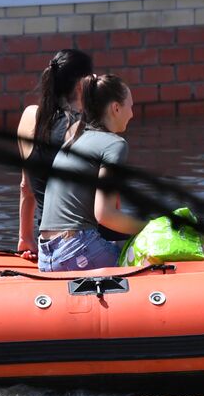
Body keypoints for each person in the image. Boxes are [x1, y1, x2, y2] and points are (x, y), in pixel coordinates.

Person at [36, 73, 146, 272]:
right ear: (116, 108)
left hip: (45, 255)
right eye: (131, 106)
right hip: (77, 250)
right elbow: (105, 214)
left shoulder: (74, 140)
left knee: (124, 243)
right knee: (154, 260)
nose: (132, 113)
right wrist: (148, 228)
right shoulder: (114, 144)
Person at [17, 49, 93, 260]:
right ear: (81, 85)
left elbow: (26, 187)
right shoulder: (84, 127)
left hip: (47, 246)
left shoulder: (30, 116)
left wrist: (25, 238)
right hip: (82, 246)